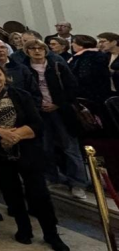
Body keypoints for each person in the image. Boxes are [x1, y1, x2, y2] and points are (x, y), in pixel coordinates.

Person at [0, 61, 70, 251]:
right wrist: (0, 132)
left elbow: (36, 123)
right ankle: (24, 229)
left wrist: (15, 135)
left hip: (27, 150)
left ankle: (51, 233)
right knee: (11, 193)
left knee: (39, 193)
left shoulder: (21, 95)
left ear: (4, 75)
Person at [23, 38, 88, 199]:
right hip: (39, 112)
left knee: (70, 147)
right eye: (32, 48)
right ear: (27, 51)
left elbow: (72, 87)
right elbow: (24, 91)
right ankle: (53, 177)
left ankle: (78, 182)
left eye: (40, 48)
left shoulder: (57, 65)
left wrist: (57, 104)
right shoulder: (24, 68)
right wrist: (37, 105)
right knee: (45, 146)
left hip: (62, 111)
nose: (37, 51)